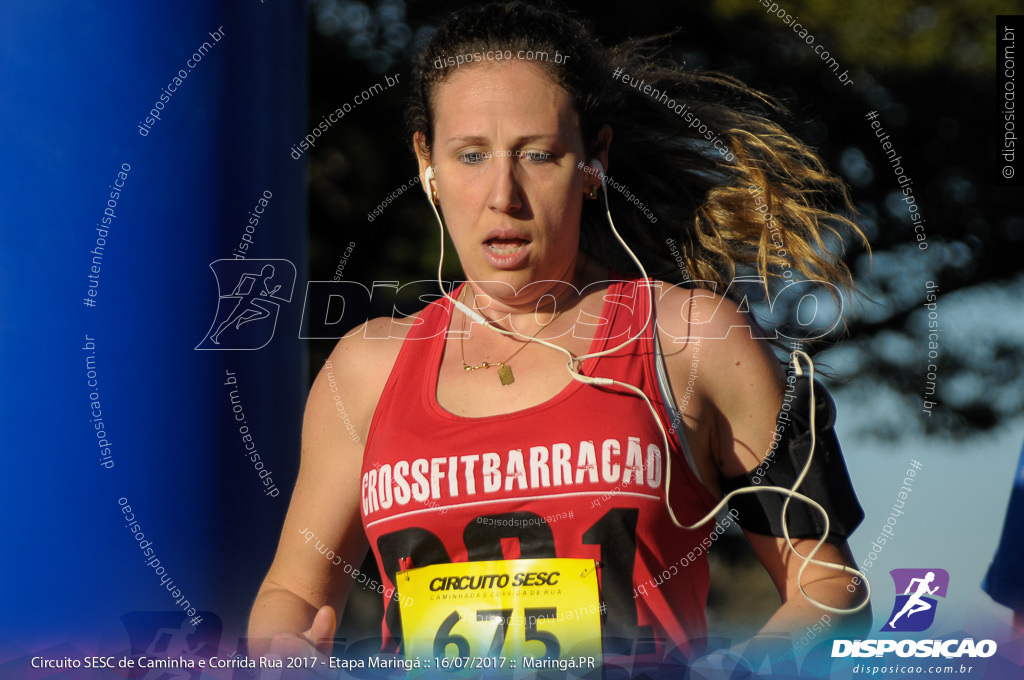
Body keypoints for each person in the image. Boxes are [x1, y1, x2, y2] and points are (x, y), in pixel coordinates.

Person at [248, 0, 871, 668]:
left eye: (537, 154)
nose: (503, 195)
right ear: (426, 163)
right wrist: (283, 651)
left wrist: (747, 667)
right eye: (470, 155)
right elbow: (289, 591)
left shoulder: (693, 340)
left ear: (593, 158)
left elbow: (832, 592)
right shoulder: (365, 369)